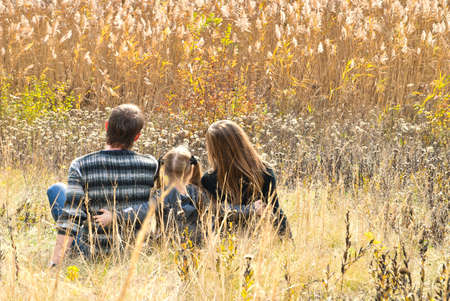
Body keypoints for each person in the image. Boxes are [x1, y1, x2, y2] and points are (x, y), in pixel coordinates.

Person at [48, 104, 158, 266]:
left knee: (56, 190)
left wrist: (55, 262)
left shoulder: (81, 165)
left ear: (106, 126)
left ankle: (71, 251)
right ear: (137, 137)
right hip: (133, 250)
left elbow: (72, 216)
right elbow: (158, 203)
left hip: (94, 250)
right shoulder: (151, 165)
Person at [201, 120, 289, 236]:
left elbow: (213, 213)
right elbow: (275, 210)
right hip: (258, 238)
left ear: (214, 149)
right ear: (242, 141)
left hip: (225, 242)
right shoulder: (264, 171)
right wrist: (288, 242)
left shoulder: (209, 179)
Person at [153, 146, 203, 244]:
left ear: (163, 170)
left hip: (166, 246)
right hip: (196, 246)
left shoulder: (159, 195)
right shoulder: (198, 193)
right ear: (190, 171)